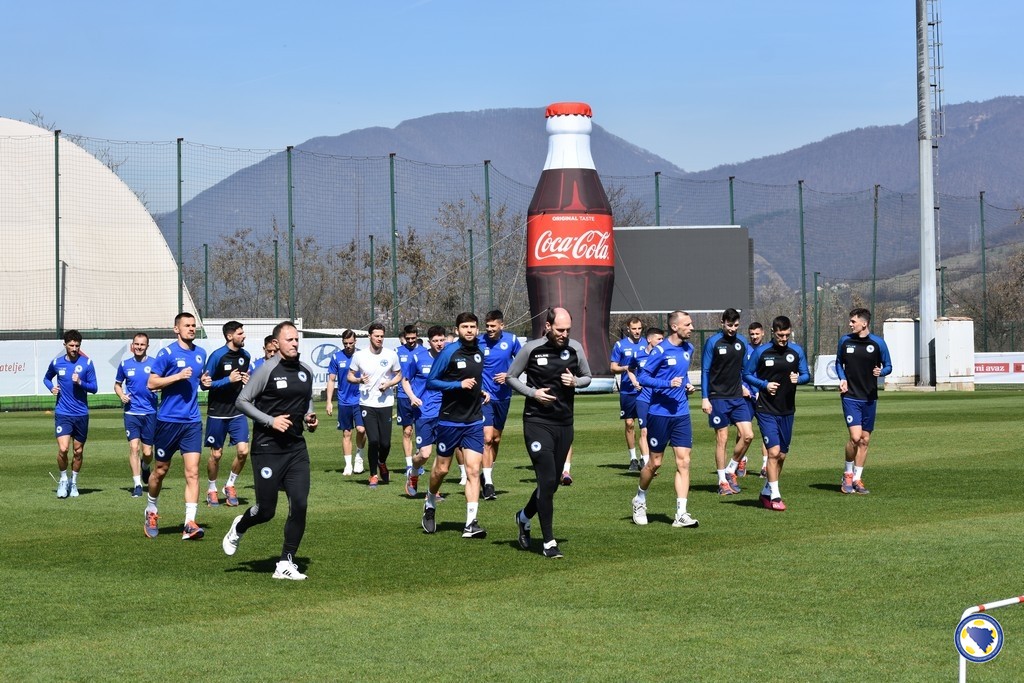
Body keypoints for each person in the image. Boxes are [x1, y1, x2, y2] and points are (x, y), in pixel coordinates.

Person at [223, 320, 318, 580]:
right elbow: (242, 401)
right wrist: (270, 421)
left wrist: (310, 418)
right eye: (289, 339)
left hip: (297, 448)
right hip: (267, 449)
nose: (295, 343)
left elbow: (306, 403)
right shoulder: (267, 369)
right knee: (266, 511)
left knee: (299, 504)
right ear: (277, 343)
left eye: (297, 339)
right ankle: (240, 526)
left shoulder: (305, 371)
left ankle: (285, 562)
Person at [506, 307, 592, 558]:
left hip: (564, 423)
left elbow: (587, 376)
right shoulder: (531, 349)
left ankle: (523, 517)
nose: (564, 334)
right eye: (560, 329)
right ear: (547, 326)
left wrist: (576, 382)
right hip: (537, 422)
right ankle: (549, 542)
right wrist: (533, 393)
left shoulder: (575, 348)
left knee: (552, 483)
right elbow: (511, 377)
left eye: (567, 330)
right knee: (545, 479)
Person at [421, 312, 489, 539]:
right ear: (458, 329)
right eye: (465, 327)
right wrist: (458, 384)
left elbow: (473, 380)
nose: (469, 330)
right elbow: (431, 382)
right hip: (449, 420)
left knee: (473, 470)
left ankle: (471, 523)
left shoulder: (479, 352)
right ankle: (430, 501)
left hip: (473, 421)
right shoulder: (449, 351)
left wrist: (480, 391)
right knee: (441, 469)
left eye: (473, 326)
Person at [145, 312, 211, 539]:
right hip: (167, 422)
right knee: (160, 471)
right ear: (176, 329)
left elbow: (199, 382)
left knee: (192, 472)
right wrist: (176, 377)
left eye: (194, 325)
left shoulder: (201, 354)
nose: (192, 329)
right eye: (187, 325)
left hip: (192, 422)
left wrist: (204, 382)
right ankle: (151, 509)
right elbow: (151, 382)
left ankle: (189, 523)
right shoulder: (167, 353)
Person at [631, 311, 699, 529]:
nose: (692, 327)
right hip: (659, 414)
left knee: (684, 461)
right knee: (655, 463)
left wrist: (687, 384)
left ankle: (681, 513)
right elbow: (643, 378)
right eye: (687, 324)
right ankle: (640, 499)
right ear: (675, 327)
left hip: (681, 413)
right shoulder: (660, 350)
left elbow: (682, 373)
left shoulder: (689, 348)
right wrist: (667, 385)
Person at [743, 316, 810, 511]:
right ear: (773, 332)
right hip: (765, 409)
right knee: (773, 452)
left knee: (781, 455)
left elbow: (806, 375)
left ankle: (766, 492)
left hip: (787, 410)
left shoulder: (796, 351)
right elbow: (746, 374)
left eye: (787, 335)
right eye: (780, 335)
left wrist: (799, 378)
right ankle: (776, 496)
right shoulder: (762, 352)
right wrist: (764, 385)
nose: (784, 338)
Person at [836, 308, 892, 495]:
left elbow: (888, 366)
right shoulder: (845, 341)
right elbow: (838, 363)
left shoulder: (878, 343)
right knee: (855, 437)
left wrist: (881, 372)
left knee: (865, 440)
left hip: (869, 397)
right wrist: (842, 378)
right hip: (850, 396)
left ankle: (858, 479)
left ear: (864, 323)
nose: (850, 324)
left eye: (853, 321)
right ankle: (847, 474)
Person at [700, 308, 755, 497]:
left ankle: (731, 470)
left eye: (736, 325)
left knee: (748, 436)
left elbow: (744, 370)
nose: (733, 329)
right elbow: (705, 371)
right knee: (722, 439)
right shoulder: (713, 342)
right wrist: (705, 398)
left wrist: (745, 386)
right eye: (729, 325)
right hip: (717, 397)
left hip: (737, 397)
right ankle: (722, 481)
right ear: (722, 322)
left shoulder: (742, 343)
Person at [202, 320, 252, 507]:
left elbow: (245, 380)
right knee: (216, 455)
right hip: (217, 413)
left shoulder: (245, 356)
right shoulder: (217, 356)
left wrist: (247, 381)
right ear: (230, 336)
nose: (243, 335)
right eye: (240, 333)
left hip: (237, 412)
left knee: (243, 451)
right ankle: (212, 488)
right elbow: (204, 385)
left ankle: (230, 485)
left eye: (243, 332)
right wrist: (227, 380)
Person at [43, 329, 98, 499]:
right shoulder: (57, 363)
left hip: (81, 414)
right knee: (63, 448)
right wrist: (51, 387)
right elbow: (46, 378)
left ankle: (74, 482)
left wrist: (80, 382)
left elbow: (94, 388)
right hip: (63, 412)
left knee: (78, 451)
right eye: (71, 345)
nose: (74, 348)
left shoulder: (87, 363)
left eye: (77, 345)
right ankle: (63, 479)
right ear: (65, 345)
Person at [348, 322, 401, 487]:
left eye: (382, 336)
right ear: (369, 336)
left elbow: (399, 375)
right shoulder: (359, 356)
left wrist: (389, 384)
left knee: (386, 443)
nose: (379, 339)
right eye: (376, 336)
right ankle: (373, 475)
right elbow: (350, 375)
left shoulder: (391, 355)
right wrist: (358, 380)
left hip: (385, 403)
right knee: (374, 440)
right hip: (367, 403)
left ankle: (382, 462)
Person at [478, 309, 522, 500]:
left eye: (493, 326)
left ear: (501, 325)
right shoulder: (479, 342)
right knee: (487, 438)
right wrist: (480, 389)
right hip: (484, 397)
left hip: (503, 397)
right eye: (487, 326)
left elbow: (523, 362)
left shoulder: (511, 341)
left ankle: (485, 473)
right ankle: (488, 483)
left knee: (496, 439)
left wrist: (509, 375)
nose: (489, 329)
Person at [404, 326, 447, 496]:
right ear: (429, 342)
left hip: (445, 412)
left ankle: (434, 489)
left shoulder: (449, 358)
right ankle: (413, 472)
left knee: (442, 452)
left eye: (441, 340)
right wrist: (413, 397)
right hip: (424, 412)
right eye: (435, 341)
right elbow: (405, 380)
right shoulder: (418, 357)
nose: (439, 344)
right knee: (424, 454)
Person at [114, 332, 158, 497]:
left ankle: (145, 466)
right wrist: (121, 395)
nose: (139, 347)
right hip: (131, 413)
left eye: (142, 344)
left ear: (147, 346)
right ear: (132, 346)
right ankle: (137, 484)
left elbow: (162, 381)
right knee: (134, 447)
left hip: (150, 413)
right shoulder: (125, 364)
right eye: (136, 344)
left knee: (147, 453)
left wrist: (160, 387)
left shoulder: (155, 364)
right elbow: (117, 385)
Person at [325, 329, 366, 476]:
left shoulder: (362, 355)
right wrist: (329, 401)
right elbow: (331, 380)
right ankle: (348, 465)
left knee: (361, 430)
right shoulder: (336, 357)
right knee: (347, 433)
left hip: (361, 400)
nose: (348, 345)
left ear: (356, 341)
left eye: (351, 343)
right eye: (345, 343)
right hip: (344, 401)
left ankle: (359, 457)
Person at [626, 326, 665, 474]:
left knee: (654, 431)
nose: (662, 342)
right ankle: (648, 463)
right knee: (644, 431)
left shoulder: (663, 355)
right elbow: (629, 369)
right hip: (643, 398)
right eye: (659, 339)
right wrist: (635, 381)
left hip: (657, 398)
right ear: (649, 339)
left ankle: (651, 460)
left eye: (663, 339)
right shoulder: (638, 355)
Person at [610, 316, 645, 471]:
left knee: (645, 426)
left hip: (644, 390)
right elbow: (613, 367)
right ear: (628, 329)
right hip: (627, 391)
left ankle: (645, 458)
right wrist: (626, 368)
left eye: (639, 328)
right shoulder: (620, 345)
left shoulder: (648, 344)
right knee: (629, 423)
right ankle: (633, 458)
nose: (637, 331)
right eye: (634, 329)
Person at [397, 324, 430, 478]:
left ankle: (419, 462)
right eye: (408, 338)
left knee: (419, 431)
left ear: (417, 336)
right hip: (403, 397)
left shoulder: (424, 352)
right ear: (404, 337)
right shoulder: (398, 352)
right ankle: (409, 464)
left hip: (420, 398)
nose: (410, 341)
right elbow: (396, 374)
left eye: (413, 338)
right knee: (407, 431)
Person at [745, 321, 769, 478]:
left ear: (763, 333)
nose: (754, 337)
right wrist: (743, 387)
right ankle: (741, 459)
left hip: (764, 395)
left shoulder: (768, 350)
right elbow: (740, 371)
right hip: (746, 395)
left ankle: (766, 465)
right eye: (752, 334)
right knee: (743, 433)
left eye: (757, 334)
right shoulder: (743, 349)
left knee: (766, 430)